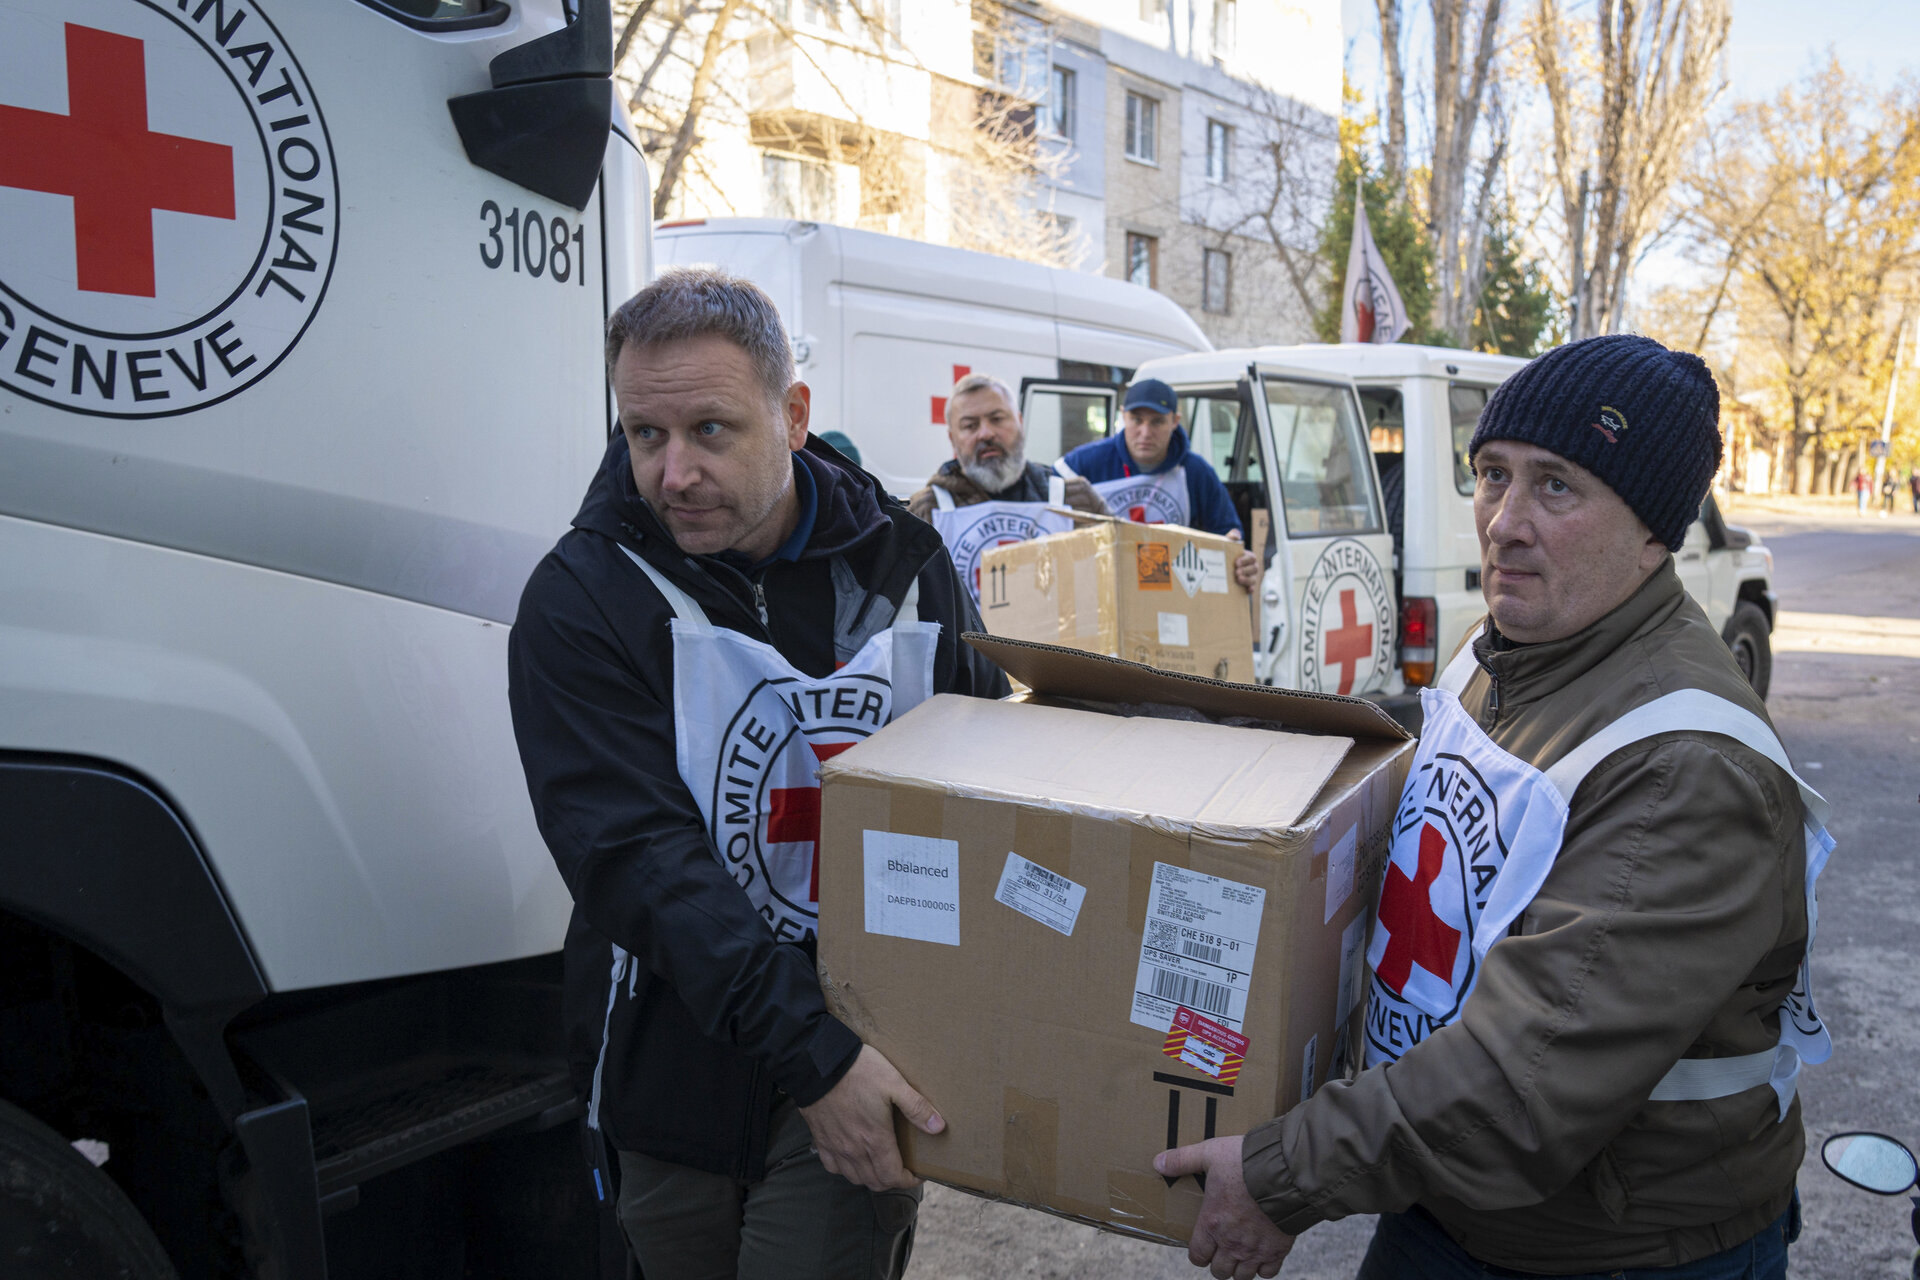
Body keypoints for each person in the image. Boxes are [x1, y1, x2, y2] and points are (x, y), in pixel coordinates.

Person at [1158, 335, 1827, 1279]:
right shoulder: (1508, 642)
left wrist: (1280, 1174)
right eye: (1493, 474)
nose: (1504, 522)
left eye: (1557, 486)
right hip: (1454, 1200)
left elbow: (1524, 1086)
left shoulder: (1686, 764)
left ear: (1651, 531)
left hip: (1613, 1249)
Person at [506, 268, 1008, 1280]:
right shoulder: (583, 596)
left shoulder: (904, 566)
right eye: (645, 435)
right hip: (673, 1068)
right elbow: (641, 861)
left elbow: (989, 767)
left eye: (710, 430)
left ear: (794, 414)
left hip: (869, 1048)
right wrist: (807, 1052)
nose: (673, 472)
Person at [907, 373, 1108, 599]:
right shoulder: (926, 512)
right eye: (970, 425)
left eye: (997, 419)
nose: (986, 433)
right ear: (952, 439)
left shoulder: (1077, 500)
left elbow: (1114, 583)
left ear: (1020, 423)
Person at [1058, 378, 1260, 589]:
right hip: (1103, 586)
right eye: (1136, 420)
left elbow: (1228, 536)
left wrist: (1239, 560)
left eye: (1157, 421)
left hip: (1172, 592)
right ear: (1122, 415)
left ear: (1175, 421)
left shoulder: (1195, 472)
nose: (1145, 433)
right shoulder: (1081, 465)